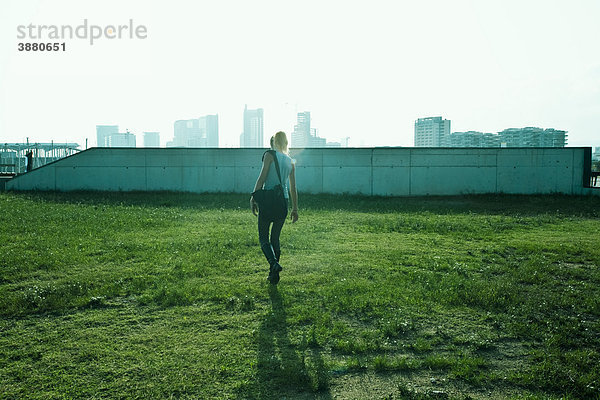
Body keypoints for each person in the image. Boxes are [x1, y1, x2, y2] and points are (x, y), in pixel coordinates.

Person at [251, 131, 298, 284]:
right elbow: (293, 188)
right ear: (286, 143)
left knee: (263, 238)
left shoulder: (269, 155)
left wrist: (254, 196)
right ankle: (274, 275)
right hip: (283, 202)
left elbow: (262, 177)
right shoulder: (291, 161)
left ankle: (274, 264)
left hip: (269, 201)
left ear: (273, 143)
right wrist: (295, 209)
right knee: (275, 238)